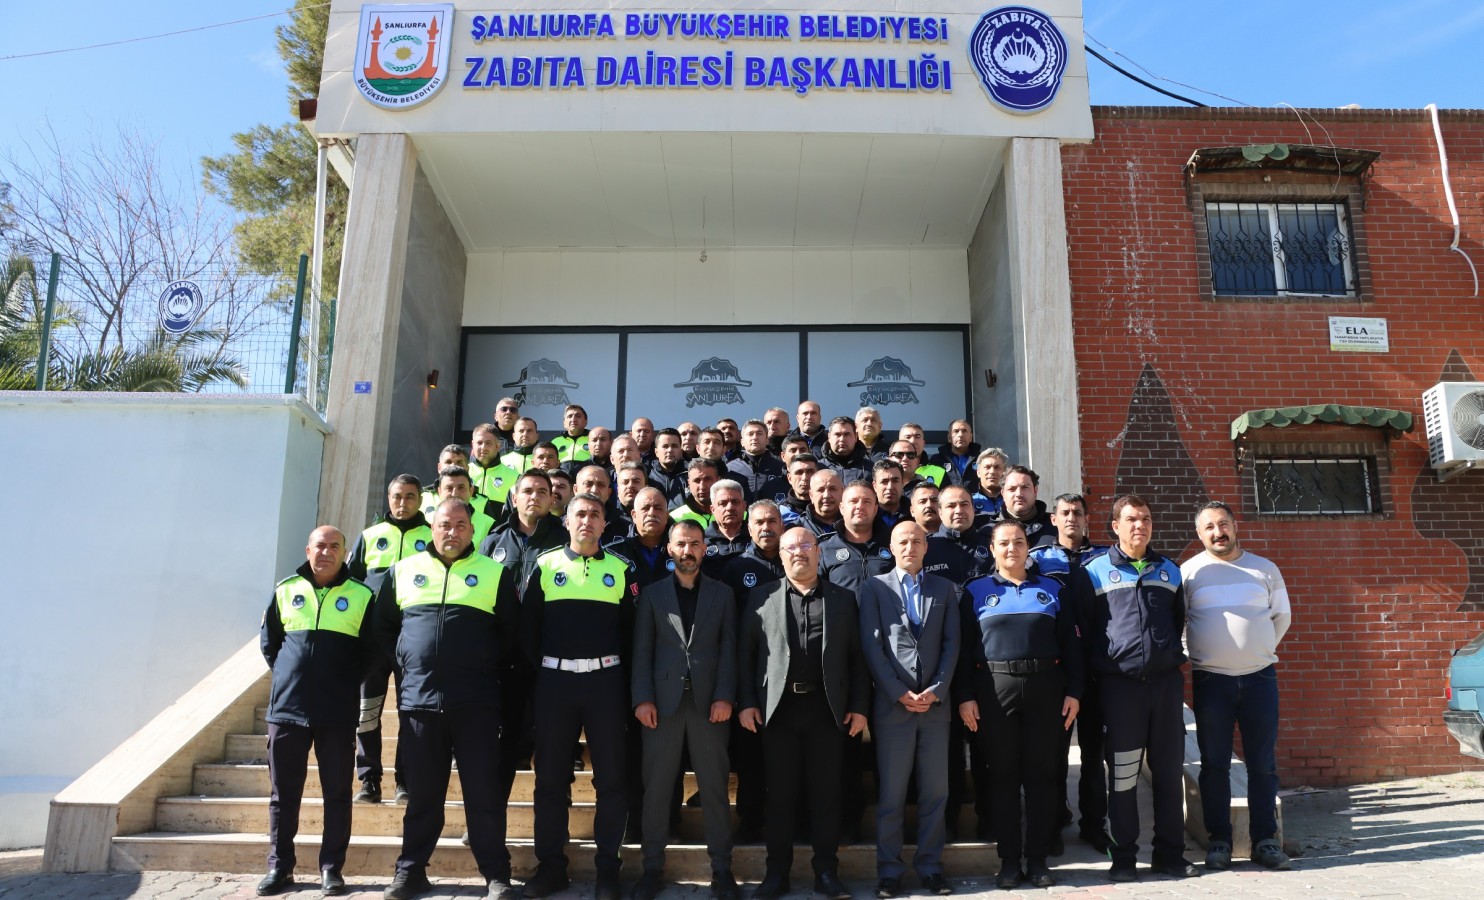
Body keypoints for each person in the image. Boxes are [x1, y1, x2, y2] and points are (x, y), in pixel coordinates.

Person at [374, 499, 519, 900]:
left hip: (476, 704)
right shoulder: (403, 571)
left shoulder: (494, 573)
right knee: (422, 796)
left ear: (472, 530)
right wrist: (408, 663)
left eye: (460, 525)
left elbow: (511, 634)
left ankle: (497, 875)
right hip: (419, 704)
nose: (451, 531)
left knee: (484, 795)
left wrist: (484, 666)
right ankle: (410, 871)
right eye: (444, 524)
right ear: (432, 528)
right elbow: (383, 628)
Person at [738, 527, 870, 900]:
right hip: (777, 712)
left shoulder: (843, 599)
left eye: (806, 545)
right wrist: (746, 702)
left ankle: (826, 873)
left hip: (827, 712)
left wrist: (859, 706)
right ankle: (776, 875)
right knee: (780, 798)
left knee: (827, 796)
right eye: (791, 547)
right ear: (781, 556)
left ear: (818, 553)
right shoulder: (761, 597)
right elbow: (746, 655)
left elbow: (857, 658)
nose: (799, 552)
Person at [521, 494, 639, 900]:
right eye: (580, 515)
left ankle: (608, 870)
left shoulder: (621, 569)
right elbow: (528, 628)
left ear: (605, 523)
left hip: (606, 684)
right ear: (567, 522)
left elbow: (632, 633)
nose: (587, 520)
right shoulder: (545, 565)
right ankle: (551, 867)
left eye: (595, 515)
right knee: (551, 779)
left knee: (612, 780)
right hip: (555, 685)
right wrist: (546, 672)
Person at [957, 520, 1083, 890]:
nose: (1012, 548)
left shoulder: (1053, 589)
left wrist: (1075, 692)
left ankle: (1039, 860)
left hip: (1047, 688)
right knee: (1003, 777)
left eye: (1019, 542)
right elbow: (961, 649)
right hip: (994, 691)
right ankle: (1010, 862)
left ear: (1028, 548)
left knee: (1043, 777)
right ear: (992, 549)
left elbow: (1072, 645)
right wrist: (965, 696)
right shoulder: (975, 591)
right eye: (1004, 543)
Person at [1082, 495, 1199, 882]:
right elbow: (1085, 630)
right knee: (1123, 778)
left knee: (1168, 775)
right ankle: (1124, 859)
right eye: (1132, 519)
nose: (1140, 525)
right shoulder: (1094, 571)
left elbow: (1178, 622)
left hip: (1164, 688)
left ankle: (1170, 855)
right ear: (1115, 526)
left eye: (1146, 519)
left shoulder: (1170, 571)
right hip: (1120, 691)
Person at [257, 526, 374, 897]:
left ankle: (331, 869)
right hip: (287, 710)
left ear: (344, 553)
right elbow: (270, 644)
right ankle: (280, 867)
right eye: (320, 545)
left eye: (335, 546)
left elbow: (371, 652)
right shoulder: (285, 589)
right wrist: (290, 675)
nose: (327, 552)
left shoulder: (362, 595)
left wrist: (343, 680)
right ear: (308, 550)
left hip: (336, 711)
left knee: (337, 794)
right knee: (283, 795)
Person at [630, 520, 741, 900]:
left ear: (705, 549)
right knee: (657, 789)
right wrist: (642, 699)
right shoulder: (653, 594)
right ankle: (651, 868)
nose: (688, 550)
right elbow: (642, 651)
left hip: (710, 705)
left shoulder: (723, 594)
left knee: (714, 789)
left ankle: (722, 870)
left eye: (695, 543)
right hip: (662, 706)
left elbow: (729, 649)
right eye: (681, 544)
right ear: (670, 549)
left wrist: (725, 696)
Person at [1182, 501, 1293, 871]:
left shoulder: (1265, 569)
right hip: (1211, 681)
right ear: (1199, 534)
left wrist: (1256, 650)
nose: (1218, 532)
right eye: (1209, 527)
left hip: (1260, 678)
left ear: (1234, 526)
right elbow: (1179, 622)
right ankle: (1219, 842)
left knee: (1262, 764)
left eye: (1223, 524)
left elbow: (1282, 617)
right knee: (1214, 764)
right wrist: (1199, 653)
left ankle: (1265, 841)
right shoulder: (1190, 572)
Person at [858, 522, 960, 899]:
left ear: (926, 547)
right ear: (891, 547)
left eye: (917, 541)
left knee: (935, 792)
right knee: (891, 795)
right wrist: (898, 691)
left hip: (935, 708)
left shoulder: (944, 589)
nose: (910, 547)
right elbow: (872, 646)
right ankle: (889, 871)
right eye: (903, 541)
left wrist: (938, 690)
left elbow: (952, 644)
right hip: (893, 708)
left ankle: (931, 868)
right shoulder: (874, 588)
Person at [1028, 493, 1111, 855]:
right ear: (1054, 519)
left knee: (1094, 754)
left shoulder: (1106, 557)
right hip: (1056, 670)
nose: (1072, 518)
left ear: (1087, 518)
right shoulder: (1037, 558)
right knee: (1054, 753)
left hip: (1097, 669)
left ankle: (1094, 824)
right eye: (1065, 513)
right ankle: (1053, 821)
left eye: (1078, 512)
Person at [348, 476, 431, 808]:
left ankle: (404, 780)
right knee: (367, 711)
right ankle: (369, 779)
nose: (403, 502)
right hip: (372, 642)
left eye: (410, 496)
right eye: (397, 496)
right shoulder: (370, 536)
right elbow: (350, 584)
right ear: (388, 497)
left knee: (410, 711)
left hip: (411, 639)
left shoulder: (432, 536)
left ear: (420, 500)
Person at [718, 500, 786, 843]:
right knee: (751, 756)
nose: (766, 528)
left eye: (772, 521)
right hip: (752, 675)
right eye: (759, 522)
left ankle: (792, 819)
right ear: (749, 528)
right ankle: (750, 820)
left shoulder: (796, 561)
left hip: (792, 674)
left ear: (782, 525)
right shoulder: (735, 568)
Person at [611, 487, 676, 587]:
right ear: (634, 515)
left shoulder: (681, 550)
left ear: (667, 516)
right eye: (645, 508)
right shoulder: (615, 553)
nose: (651, 513)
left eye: (658, 508)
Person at [994, 466, 1055, 548]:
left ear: (1035, 491)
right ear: (1003, 494)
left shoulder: (1056, 527)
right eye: (1012, 489)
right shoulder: (988, 531)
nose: (1019, 494)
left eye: (1025, 487)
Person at [727, 419, 788, 503]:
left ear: (767, 440)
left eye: (759, 433)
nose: (755, 437)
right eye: (750, 434)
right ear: (742, 442)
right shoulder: (730, 468)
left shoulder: (781, 468)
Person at [703, 479, 749, 577]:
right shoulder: (702, 541)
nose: (730, 508)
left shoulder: (756, 538)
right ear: (712, 509)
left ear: (744, 506)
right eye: (723, 503)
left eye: (735, 502)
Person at [928, 420, 981, 493]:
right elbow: (931, 487)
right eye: (956, 431)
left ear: (970, 437)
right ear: (949, 437)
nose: (960, 435)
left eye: (964, 431)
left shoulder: (981, 459)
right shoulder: (936, 460)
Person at [819, 416, 872, 485]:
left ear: (856, 437)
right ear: (829, 437)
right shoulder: (818, 467)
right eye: (837, 434)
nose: (842, 439)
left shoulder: (870, 469)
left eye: (847, 434)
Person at [671, 458, 720, 527]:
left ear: (718, 481)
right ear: (689, 484)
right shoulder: (675, 518)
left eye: (708, 479)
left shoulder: (730, 512)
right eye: (697, 480)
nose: (702, 487)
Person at [970, 449, 1009, 524]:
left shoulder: (1012, 500)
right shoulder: (970, 501)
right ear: (978, 472)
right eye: (987, 467)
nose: (992, 472)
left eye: (997, 467)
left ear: (1004, 472)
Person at [649, 428, 689, 501]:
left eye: (674, 446)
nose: (670, 450)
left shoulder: (690, 475)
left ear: (681, 451)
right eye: (665, 446)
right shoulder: (647, 477)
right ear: (656, 452)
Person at [803, 468, 844, 537]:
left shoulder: (854, 525)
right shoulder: (798, 527)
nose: (826, 495)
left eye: (832, 489)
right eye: (820, 490)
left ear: (843, 492)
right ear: (811, 495)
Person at [872, 460, 909, 528]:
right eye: (884, 481)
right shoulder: (866, 515)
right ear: (875, 486)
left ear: (902, 483)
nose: (890, 487)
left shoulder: (914, 513)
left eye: (895, 481)